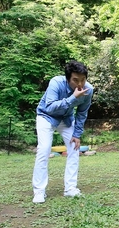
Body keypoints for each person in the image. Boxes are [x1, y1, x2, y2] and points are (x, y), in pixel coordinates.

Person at [32, 60, 94, 203]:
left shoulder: (88, 90)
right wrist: (73, 98)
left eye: (83, 80)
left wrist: (77, 134)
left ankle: (70, 188)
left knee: (74, 147)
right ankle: (39, 191)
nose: (79, 84)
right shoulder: (56, 83)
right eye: (75, 80)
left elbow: (82, 113)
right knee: (44, 149)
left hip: (66, 119)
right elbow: (50, 107)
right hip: (46, 117)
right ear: (68, 79)